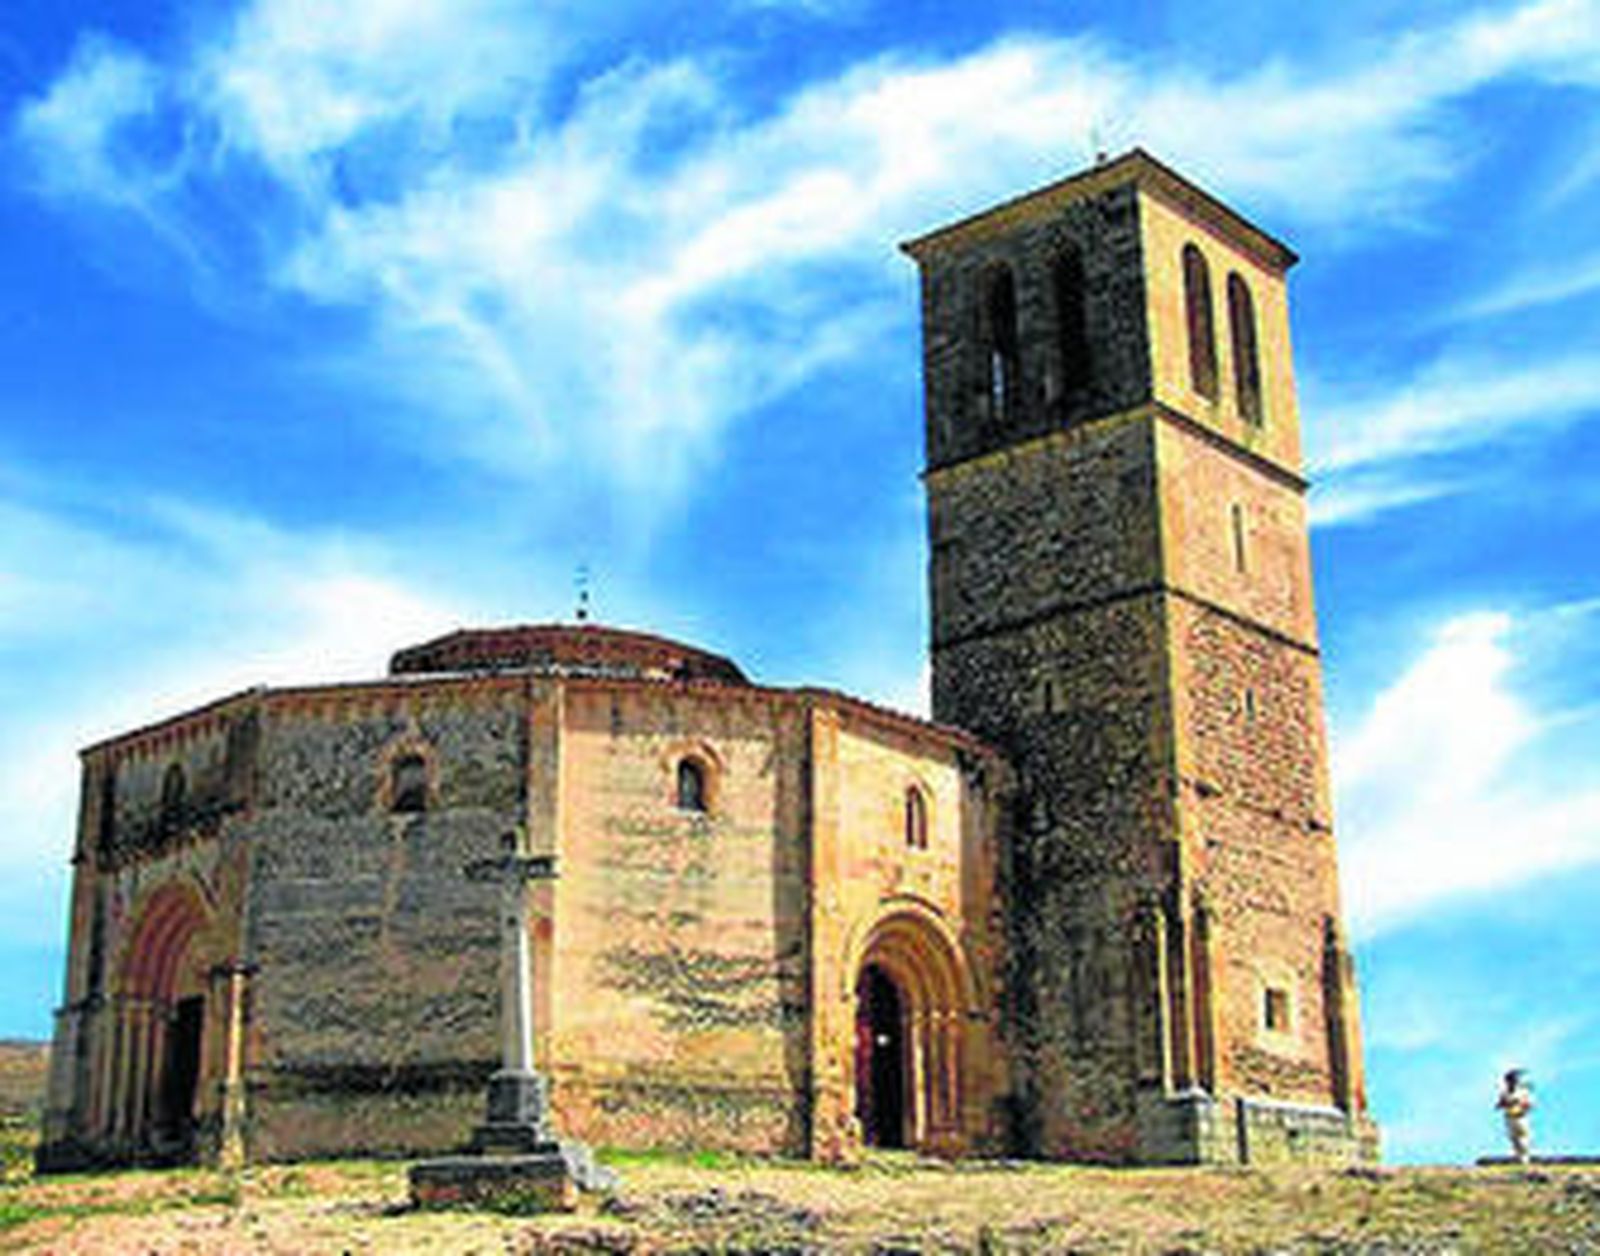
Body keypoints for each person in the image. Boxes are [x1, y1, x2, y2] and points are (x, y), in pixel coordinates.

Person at [1495, 1068, 1535, 1164]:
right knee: (1514, 1140)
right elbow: (1499, 1105)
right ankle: (1519, 1159)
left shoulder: (1523, 1091)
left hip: (1521, 1117)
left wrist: (1520, 1103)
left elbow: (1529, 1105)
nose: (1511, 1082)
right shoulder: (1504, 1093)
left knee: (1523, 1140)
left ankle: (1525, 1160)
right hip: (1509, 1118)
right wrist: (1505, 1103)